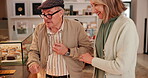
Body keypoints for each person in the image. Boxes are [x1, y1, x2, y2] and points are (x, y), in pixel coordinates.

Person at [27, 0, 93, 78]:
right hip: (46, 75)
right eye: (43, 14)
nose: (46, 18)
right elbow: (33, 51)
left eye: (49, 14)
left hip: (71, 75)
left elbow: (88, 49)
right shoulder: (39, 28)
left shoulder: (76, 26)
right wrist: (33, 62)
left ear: (61, 12)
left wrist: (68, 51)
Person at [79, 0, 139, 78]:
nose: (93, 10)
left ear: (108, 3)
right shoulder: (102, 23)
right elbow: (102, 54)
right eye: (91, 6)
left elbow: (120, 67)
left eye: (96, 5)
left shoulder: (127, 25)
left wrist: (91, 60)